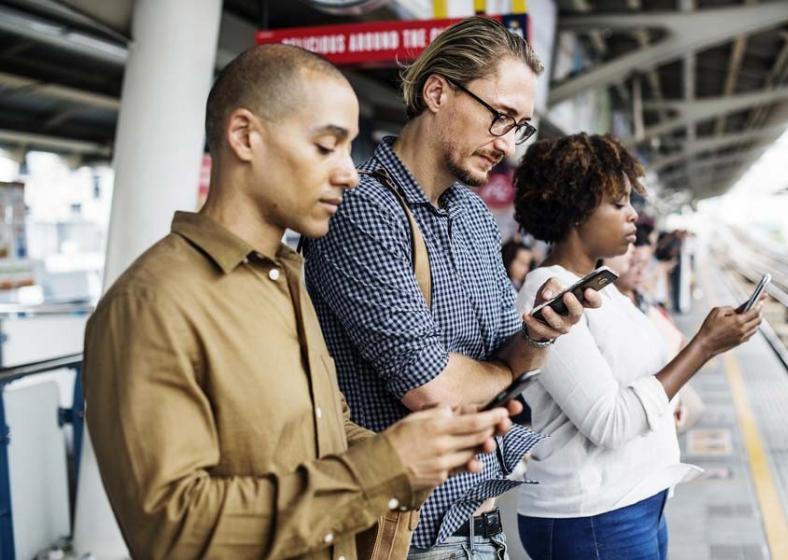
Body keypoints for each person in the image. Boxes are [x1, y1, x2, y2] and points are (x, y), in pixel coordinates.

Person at [83, 44, 520, 560]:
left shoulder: (286, 279)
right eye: (325, 147)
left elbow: (327, 431)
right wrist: (384, 466)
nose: (349, 173)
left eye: (348, 149)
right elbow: (173, 528)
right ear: (245, 137)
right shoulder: (151, 303)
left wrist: (427, 451)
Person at [303, 16, 599, 559]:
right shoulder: (364, 210)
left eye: (520, 127)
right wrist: (507, 366)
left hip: (480, 529)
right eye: (500, 117)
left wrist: (537, 336)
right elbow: (431, 389)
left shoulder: (474, 216)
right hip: (406, 537)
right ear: (437, 91)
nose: (507, 144)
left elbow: (515, 370)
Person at [512, 133, 764, 559]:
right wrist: (704, 346)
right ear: (576, 209)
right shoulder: (549, 294)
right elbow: (610, 422)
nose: (634, 216)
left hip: (635, 503)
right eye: (618, 204)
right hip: (591, 517)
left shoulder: (601, 289)